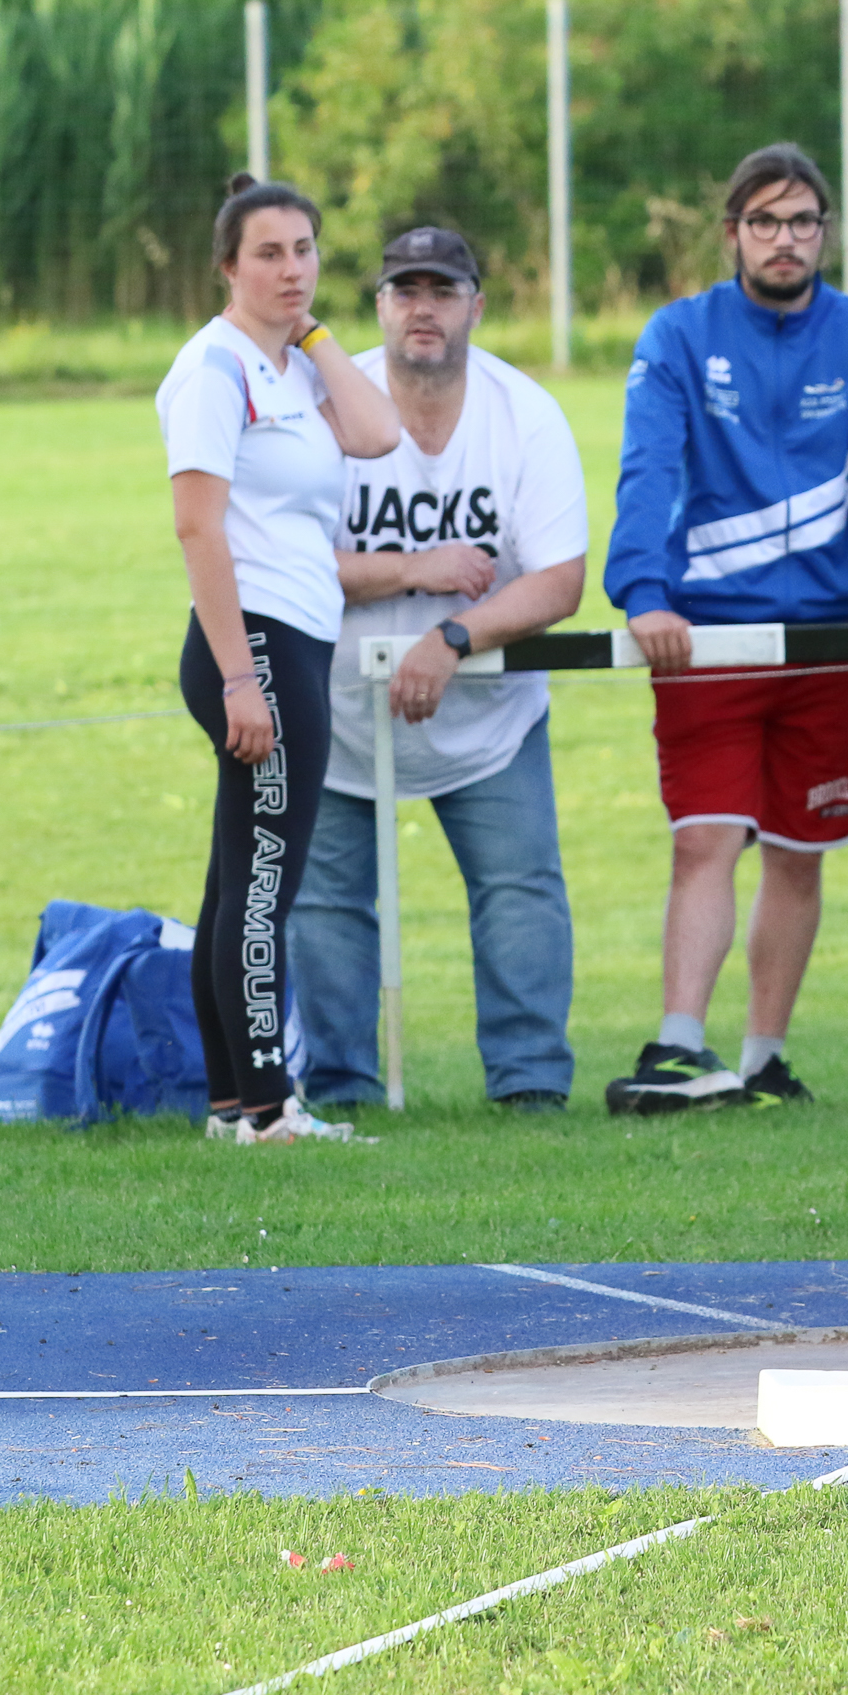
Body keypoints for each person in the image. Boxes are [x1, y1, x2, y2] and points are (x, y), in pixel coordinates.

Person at [608, 142, 848, 1112]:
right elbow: (646, 467)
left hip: (836, 640)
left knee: (799, 847)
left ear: (825, 232)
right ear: (732, 233)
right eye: (764, 222)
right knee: (704, 838)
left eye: (800, 221)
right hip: (705, 637)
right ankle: (677, 1044)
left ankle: (763, 1060)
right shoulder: (679, 332)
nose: (783, 239)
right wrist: (643, 591)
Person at [291, 227, 589, 1113]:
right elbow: (283, 561)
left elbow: (562, 579)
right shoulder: (323, 405)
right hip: (337, 710)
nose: (424, 308)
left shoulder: (524, 413)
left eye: (444, 291)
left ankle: (531, 1088)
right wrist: (413, 570)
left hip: (490, 720)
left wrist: (453, 637)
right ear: (380, 305)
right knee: (328, 907)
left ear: (476, 306)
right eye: (405, 290)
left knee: (520, 892)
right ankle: (340, 1092)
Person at [160, 174, 404, 1144]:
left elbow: (379, 433)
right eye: (268, 253)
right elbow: (197, 526)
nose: (292, 268)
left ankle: (233, 1105)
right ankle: (269, 1107)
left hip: (293, 639)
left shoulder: (290, 367)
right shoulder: (213, 370)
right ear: (227, 266)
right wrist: (238, 678)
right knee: (265, 887)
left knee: (238, 883)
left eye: (304, 249)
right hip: (252, 642)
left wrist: (312, 335)